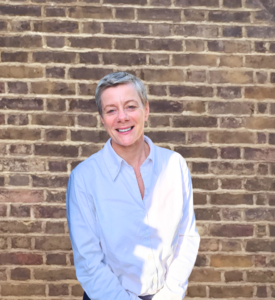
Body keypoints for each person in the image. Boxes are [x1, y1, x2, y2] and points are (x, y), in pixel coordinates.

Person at [66, 72, 200, 300]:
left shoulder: (174, 165)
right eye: (111, 110)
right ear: (102, 118)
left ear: (146, 110)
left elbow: (187, 237)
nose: (122, 117)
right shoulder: (84, 178)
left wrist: (169, 295)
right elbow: (89, 261)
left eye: (130, 106)